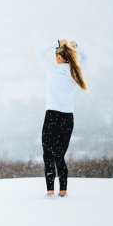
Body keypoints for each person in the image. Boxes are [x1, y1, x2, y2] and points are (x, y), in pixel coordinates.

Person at [34, 39, 88, 199]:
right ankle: (63, 191)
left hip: (52, 115)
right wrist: (75, 46)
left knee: (48, 154)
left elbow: (37, 53)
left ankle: (50, 191)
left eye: (56, 55)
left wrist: (56, 42)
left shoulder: (53, 70)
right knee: (59, 155)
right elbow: (86, 57)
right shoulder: (75, 72)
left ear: (59, 57)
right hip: (67, 118)